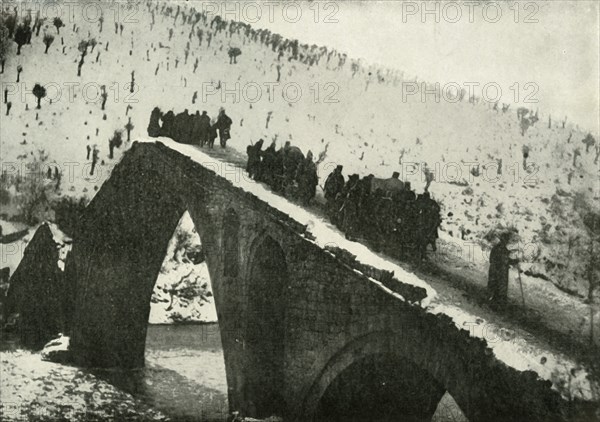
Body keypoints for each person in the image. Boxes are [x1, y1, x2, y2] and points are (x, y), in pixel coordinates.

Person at [488, 232, 519, 309]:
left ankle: (496, 302)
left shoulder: (498, 248)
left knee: (497, 287)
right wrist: (514, 261)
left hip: (498, 270)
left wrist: (514, 261)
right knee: (499, 287)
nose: (507, 242)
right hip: (499, 271)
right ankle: (497, 304)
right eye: (506, 240)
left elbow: (493, 259)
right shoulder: (501, 249)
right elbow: (504, 260)